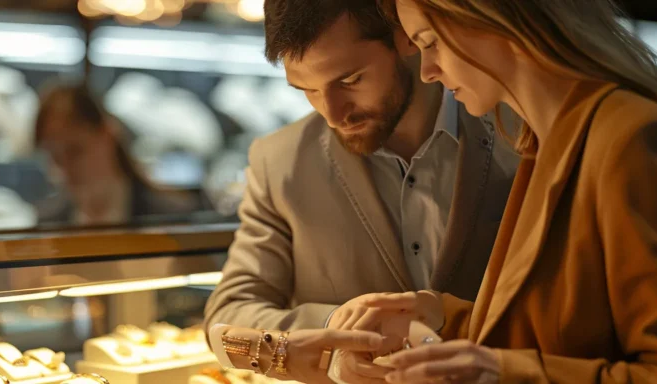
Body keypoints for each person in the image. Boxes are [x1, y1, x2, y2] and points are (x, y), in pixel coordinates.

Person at [337, 0, 657, 382]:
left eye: (431, 42)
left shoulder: (629, 139)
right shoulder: (543, 140)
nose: (427, 71)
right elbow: (554, 331)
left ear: (492, 17)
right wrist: (440, 315)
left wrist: (499, 372)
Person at [204, 0, 517, 369]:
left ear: (407, 38)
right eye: (307, 89)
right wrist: (333, 329)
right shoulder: (280, 162)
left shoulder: (521, 132)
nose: (333, 115)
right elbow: (227, 316)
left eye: (350, 80)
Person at [32, 82, 203, 226]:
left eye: (75, 151)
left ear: (108, 134)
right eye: (55, 157)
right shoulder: (48, 223)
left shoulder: (174, 218)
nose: (65, 169)